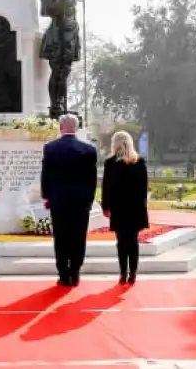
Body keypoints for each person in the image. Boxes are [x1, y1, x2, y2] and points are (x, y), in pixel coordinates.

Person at [40, 114, 98, 287]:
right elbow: (92, 179)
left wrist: (46, 196)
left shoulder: (51, 148)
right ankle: (75, 271)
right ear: (77, 127)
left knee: (61, 236)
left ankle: (63, 274)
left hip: (59, 199)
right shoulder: (89, 149)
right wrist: (90, 199)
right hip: (81, 201)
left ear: (60, 127)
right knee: (78, 236)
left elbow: (46, 175)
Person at [100, 130, 149, 285]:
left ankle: (123, 273)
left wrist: (106, 206)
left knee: (121, 242)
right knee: (133, 241)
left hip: (119, 207)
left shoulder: (111, 162)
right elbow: (144, 187)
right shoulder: (139, 161)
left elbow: (106, 187)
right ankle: (133, 273)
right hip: (135, 208)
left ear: (116, 143)